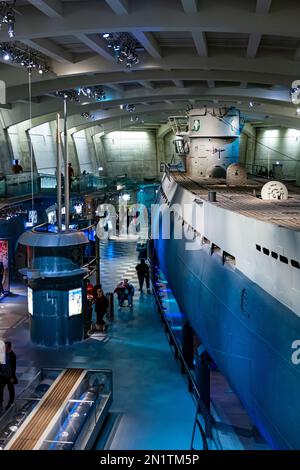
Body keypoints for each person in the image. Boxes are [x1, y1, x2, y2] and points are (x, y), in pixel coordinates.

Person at [0, 341, 18, 410]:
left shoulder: (12, 355)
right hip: (3, 375)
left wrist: (12, 376)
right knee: (0, 388)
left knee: (11, 390)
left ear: (9, 347)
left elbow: (13, 367)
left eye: (5, 347)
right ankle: (0, 401)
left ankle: (10, 403)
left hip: (9, 376)